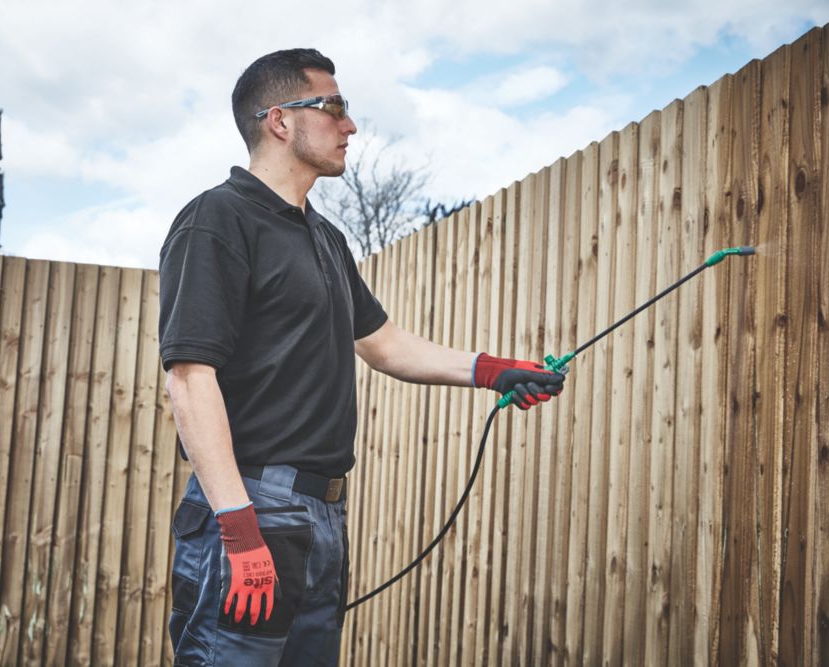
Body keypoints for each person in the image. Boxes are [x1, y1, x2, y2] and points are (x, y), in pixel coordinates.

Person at [158, 47, 565, 666]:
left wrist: (492, 370)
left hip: (321, 516)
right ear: (280, 120)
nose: (350, 126)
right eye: (335, 107)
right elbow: (189, 378)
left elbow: (383, 344)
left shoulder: (324, 237)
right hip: (253, 508)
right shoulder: (218, 219)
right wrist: (239, 532)